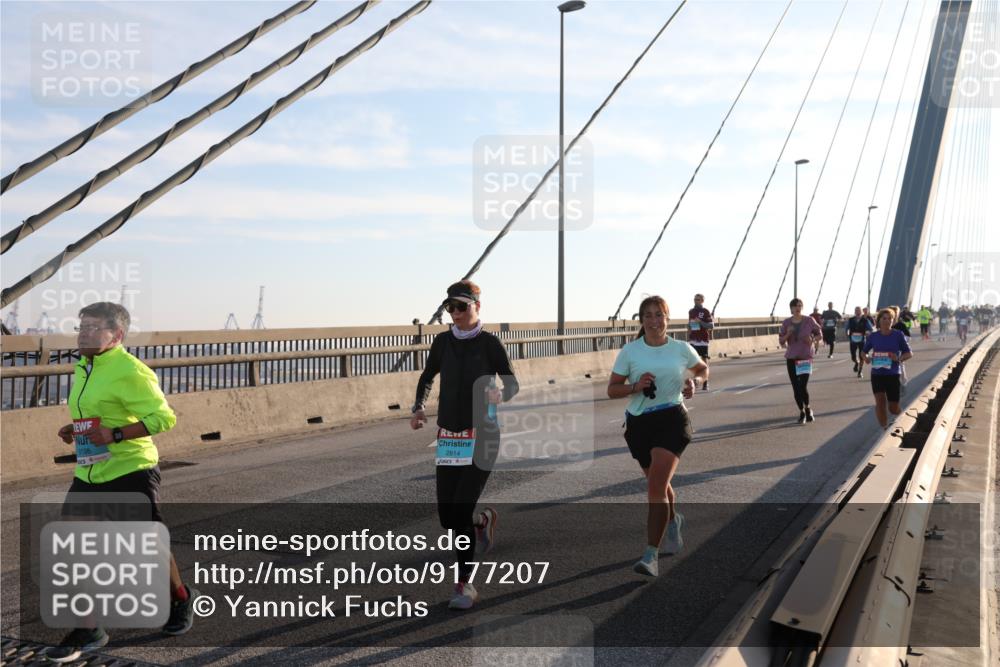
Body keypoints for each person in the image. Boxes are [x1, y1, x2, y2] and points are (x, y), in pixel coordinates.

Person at [48, 302, 197, 663]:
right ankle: (90, 628)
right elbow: (95, 412)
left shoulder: (131, 370)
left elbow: (164, 418)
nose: (83, 333)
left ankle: (179, 599)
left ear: (116, 335)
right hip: (90, 471)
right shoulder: (85, 365)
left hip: (131, 468)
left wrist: (114, 434)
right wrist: (77, 429)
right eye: (81, 326)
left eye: (93, 328)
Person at [411, 280, 519, 610]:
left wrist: (502, 394)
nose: (456, 313)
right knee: (449, 516)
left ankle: (464, 585)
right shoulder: (442, 342)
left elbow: (512, 381)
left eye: (462, 306)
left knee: (459, 509)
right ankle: (481, 522)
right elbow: (428, 376)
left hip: (483, 435)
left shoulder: (490, 343)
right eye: (451, 307)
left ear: (477, 307)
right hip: (451, 437)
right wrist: (418, 407)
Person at [608, 296, 708, 577]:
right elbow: (612, 389)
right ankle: (673, 519)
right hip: (639, 423)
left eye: (659, 315)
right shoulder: (631, 351)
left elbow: (702, 369)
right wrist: (635, 386)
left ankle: (650, 555)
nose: (654, 321)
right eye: (648, 316)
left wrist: (693, 381)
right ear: (642, 320)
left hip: (673, 419)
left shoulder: (681, 348)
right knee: (658, 484)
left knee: (654, 488)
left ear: (667, 317)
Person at [862, 307, 913, 429]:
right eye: (884, 318)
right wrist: (866, 358)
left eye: (890, 318)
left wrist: (898, 359)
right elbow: (864, 352)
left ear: (893, 320)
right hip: (877, 374)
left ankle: (902, 420)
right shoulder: (873, 336)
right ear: (879, 320)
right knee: (880, 403)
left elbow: (909, 353)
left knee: (893, 408)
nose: (887, 321)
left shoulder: (898, 335)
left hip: (893, 374)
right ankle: (884, 428)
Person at [779, 298, 822, 424]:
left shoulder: (809, 320)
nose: (798, 308)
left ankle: (808, 408)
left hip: (805, 357)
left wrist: (813, 339)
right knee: (795, 387)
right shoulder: (786, 323)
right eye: (795, 306)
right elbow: (781, 341)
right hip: (792, 358)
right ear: (791, 308)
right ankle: (802, 412)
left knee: (802, 386)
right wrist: (788, 334)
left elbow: (820, 334)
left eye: (800, 306)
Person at [687, 293, 714, 390]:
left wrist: (700, 322)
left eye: (698, 299)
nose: (696, 301)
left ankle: (705, 382)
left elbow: (711, 326)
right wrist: (688, 334)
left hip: (702, 340)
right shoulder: (691, 311)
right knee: (693, 361)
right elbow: (689, 324)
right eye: (695, 299)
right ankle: (694, 381)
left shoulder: (705, 311)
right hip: (693, 339)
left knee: (704, 360)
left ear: (702, 301)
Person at [845, 306, 874, 378]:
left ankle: (860, 371)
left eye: (859, 311)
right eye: (856, 310)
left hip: (862, 340)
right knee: (853, 357)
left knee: (862, 356)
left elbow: (871, 329)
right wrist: (847, 334)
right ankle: (856, 362)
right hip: (853, 340)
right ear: (854, 312)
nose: (857, 312)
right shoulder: (851, 320)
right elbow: (846, 328)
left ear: (861, 312)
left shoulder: (865, 320)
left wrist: (868, 333)